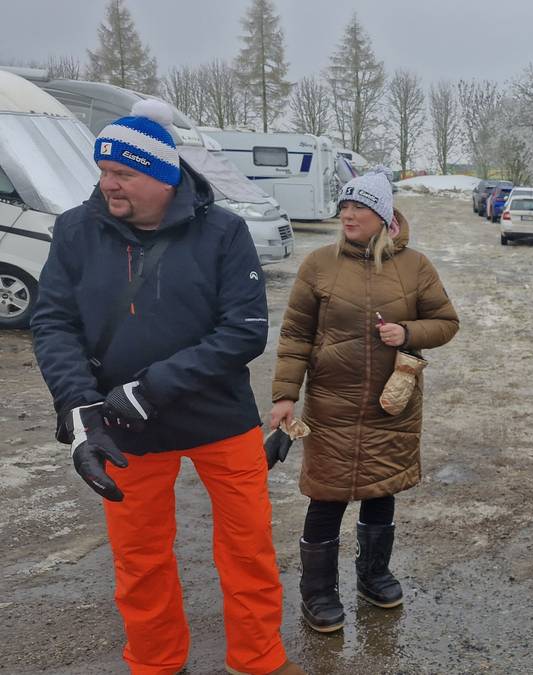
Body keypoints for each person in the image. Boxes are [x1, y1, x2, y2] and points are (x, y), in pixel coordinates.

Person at [30, 100, 301, 675]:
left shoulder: (224, 231)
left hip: (219, 419)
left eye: (122, 174)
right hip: (123, 427)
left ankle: (260, 660)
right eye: (103, 172)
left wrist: (153, 387)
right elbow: (54, 322)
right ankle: (154, 662)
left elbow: (245, 330)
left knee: (248, 550)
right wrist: (79, 407)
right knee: (140, 558)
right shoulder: (76, 230)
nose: (108, 185)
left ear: (161, 176)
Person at [270, 170, 459, 634]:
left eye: (359, 208)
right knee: (327, 497)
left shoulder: (415, 266)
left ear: (383, 215)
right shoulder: (318, 264)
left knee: (381, 491)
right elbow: (295, 335)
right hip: (332, 404)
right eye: (344, 207)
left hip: (390, 406)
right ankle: (318, 591)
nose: (348, 215)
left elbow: (447, 322)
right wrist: (285, 395)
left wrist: (409, 332)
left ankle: (374, 574)